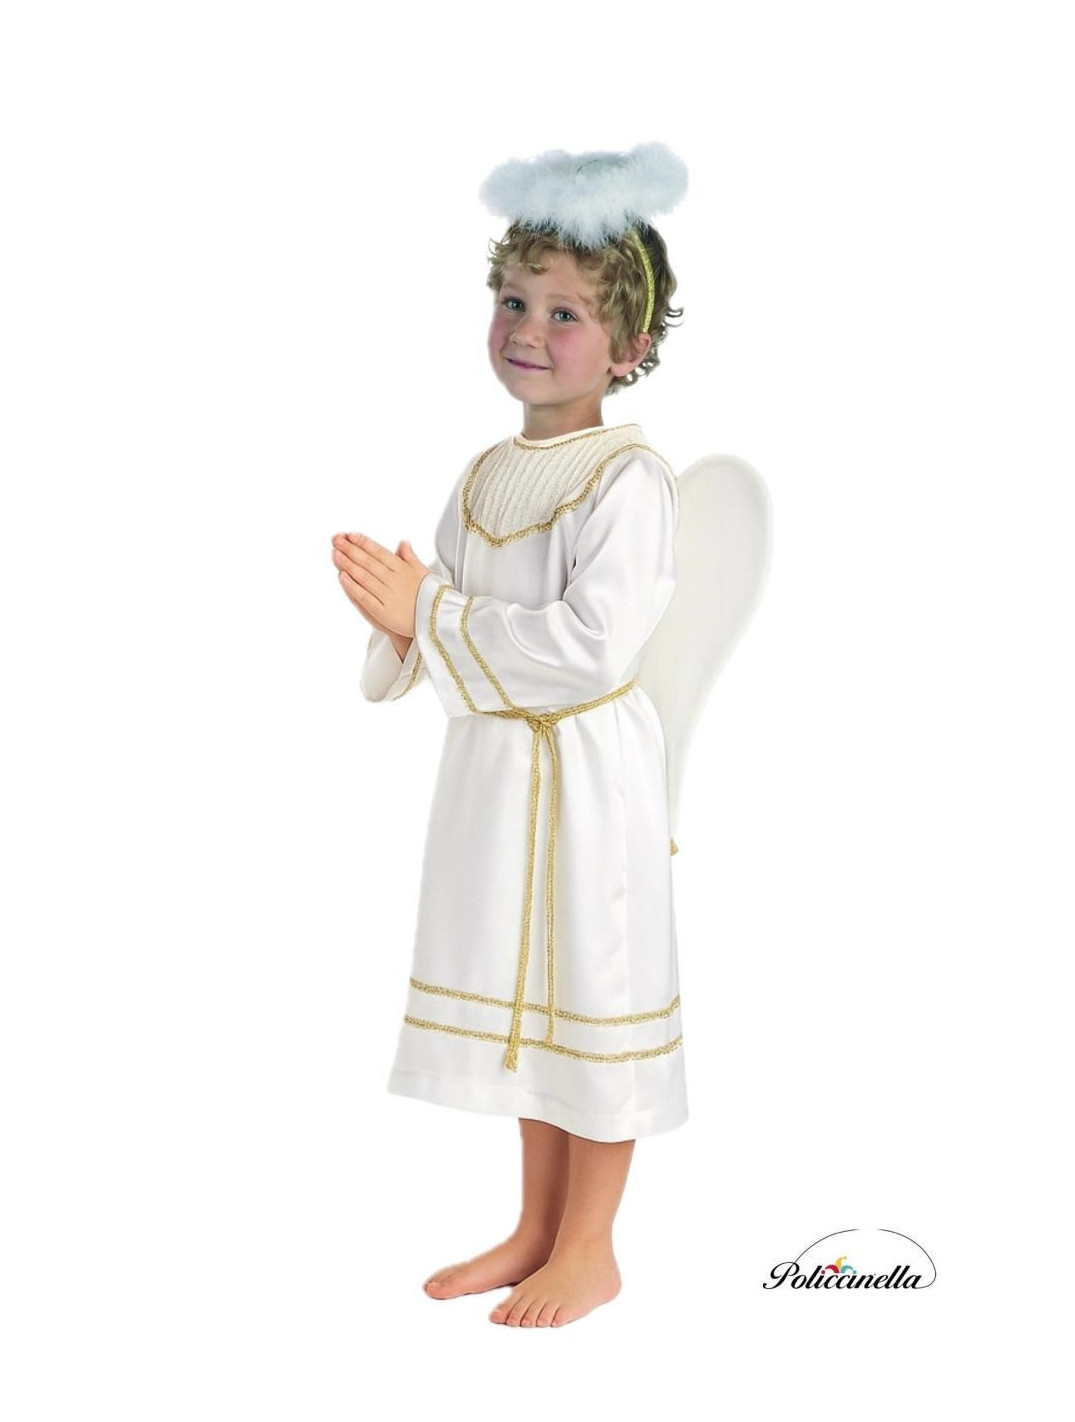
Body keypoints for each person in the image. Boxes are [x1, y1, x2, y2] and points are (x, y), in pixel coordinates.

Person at [333, 144, 690, 1328]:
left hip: (585, 782)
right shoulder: (485, 474)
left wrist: (429, 614)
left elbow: (591, 647)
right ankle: (536, 1225)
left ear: (629, 345)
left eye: (565, 313)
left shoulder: (626, 479)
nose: (527, 329)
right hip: (498, 779)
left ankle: (591, 1244)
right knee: (531, 1007)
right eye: (512, 300)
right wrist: (403, 621)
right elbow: (445, 616)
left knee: (590, 991)